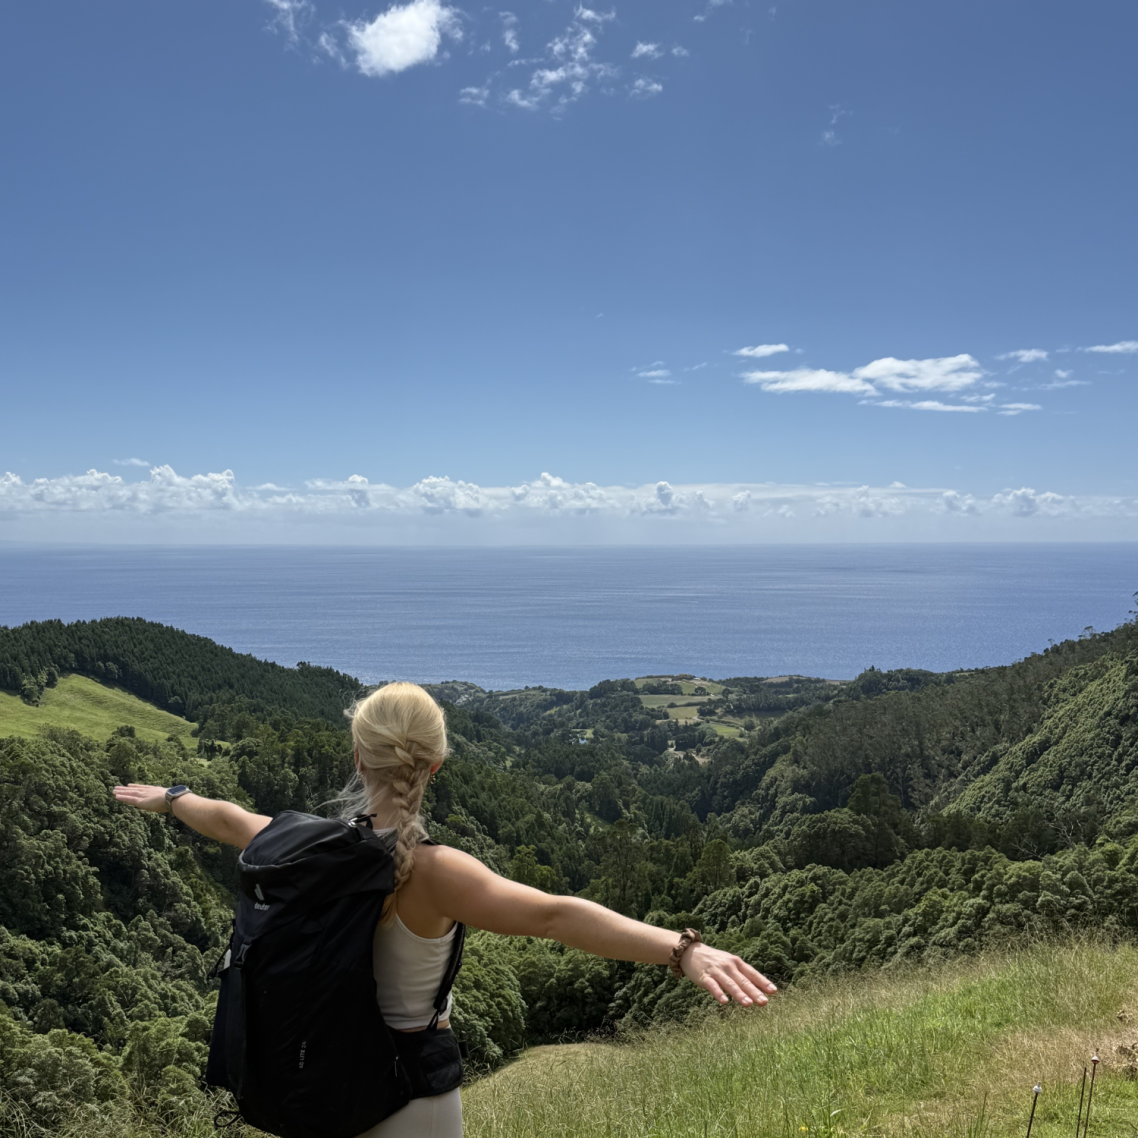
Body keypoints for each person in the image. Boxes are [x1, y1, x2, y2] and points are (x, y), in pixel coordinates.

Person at [113, 681, 776, 1138]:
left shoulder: (304, 847)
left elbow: (230, 820)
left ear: (356, 758)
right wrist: (682, 948)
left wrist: (173, 797)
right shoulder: (433, 872)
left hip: (316, 1088)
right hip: (407, 1099)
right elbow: (555, 916)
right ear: (435, 766)